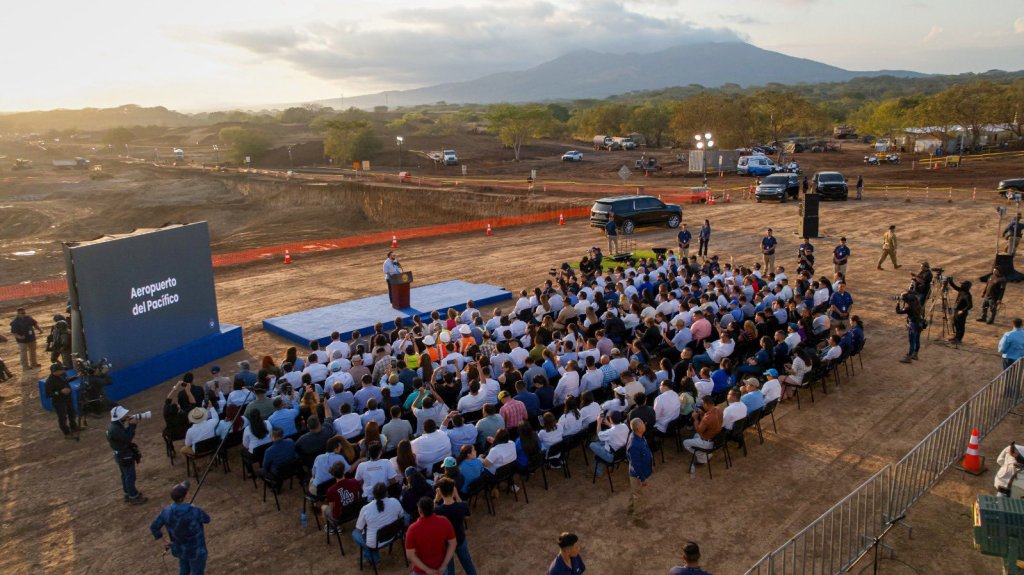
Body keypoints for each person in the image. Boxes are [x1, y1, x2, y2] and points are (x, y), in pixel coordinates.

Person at [149, 481, 210, 575]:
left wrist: (162, 541)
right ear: (185, 497)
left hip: (180, 549)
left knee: (184, 570)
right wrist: (194, 507)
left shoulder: (166, 511)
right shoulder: (194, 511)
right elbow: (207, 519)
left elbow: (154, 527)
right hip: (196, 551)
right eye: (187, 492)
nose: (189, 492)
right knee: (196, 572)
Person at [434, 477, 477, 575]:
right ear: (453, 490)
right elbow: (467, 517)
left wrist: (436, 499)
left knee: (449, 569)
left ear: (440, 492)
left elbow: (429, 515)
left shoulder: (438, 511)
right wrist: (457, 495)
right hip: (460, 539)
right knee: (467, 563)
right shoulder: (462, 506)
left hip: (446, 544)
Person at [353, 482, 405, 565]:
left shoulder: (366, 509)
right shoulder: (395, 501)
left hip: (375, 542)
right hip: (393, 535)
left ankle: (373, 557)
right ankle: (372, 556)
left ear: (373, 494)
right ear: (387, 492)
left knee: (355, 533)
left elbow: (359, 528)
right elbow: (402, 516)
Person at [405, 497, 457, 575]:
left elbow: (410, 555)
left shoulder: (412, 529)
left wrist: (427, 570)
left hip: (421, 571)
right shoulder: (444, 521)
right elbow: (453, 543)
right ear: (433, 507)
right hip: (441, 569)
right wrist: (444, 565)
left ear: (419, 511)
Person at [107, 405, 146, 504]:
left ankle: (128, 493)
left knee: (125, 475)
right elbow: (127, 438)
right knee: (130, 476)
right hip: (125, 455)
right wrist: (133, 425)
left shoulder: (113, 426)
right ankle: (133, 497)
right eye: (124, 415)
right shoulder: (115, 429)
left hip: (120, 455)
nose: (126, 416)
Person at [625, 417, 652, 518]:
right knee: (638, 495)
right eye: (643, 424)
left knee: (635, 491)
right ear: (639, 428)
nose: (645, 424)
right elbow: (636, 464)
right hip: (637, 474)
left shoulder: (638, 436)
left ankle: (630, 507)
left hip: (640, 471)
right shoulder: (634, 444)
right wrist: (642, 478)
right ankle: (638, 514)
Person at [45, 362, 79, 437]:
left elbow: (67, 380)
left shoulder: (63, 375)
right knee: (62, 417)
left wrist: (76, 377)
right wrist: (60, 392)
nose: (63, 371)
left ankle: (74, 427)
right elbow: (49, 394)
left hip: (68, 398)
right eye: (61, 370)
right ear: (55, 371)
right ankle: (66, 432)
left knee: (71, 412)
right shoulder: (50, 381)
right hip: (59, 401)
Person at [895, 291, 923, 363]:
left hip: (913, 325)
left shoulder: (909, 308)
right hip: (919, 323)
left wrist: (898, 302)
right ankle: (915, 354)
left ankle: (909, 357)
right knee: (917, 340)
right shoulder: (918, 303)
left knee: (912, 341)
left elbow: (898, 311)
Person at [947, 277, 973, 344]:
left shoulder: (967, 295)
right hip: (956, 311)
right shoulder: (962, 291)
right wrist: (950, 281)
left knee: (960, 326)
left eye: (963, 285)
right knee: (955, 324)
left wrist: (962, 311)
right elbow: (955, 287)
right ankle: (956, 337)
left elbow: (970, 305)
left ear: (965, 286)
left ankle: (959, 339)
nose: (961, 285)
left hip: (961, 313)